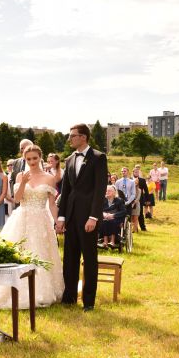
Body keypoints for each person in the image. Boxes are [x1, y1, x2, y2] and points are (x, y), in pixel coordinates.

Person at [0, 145, 65, 309]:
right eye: (28, 159)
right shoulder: (20, 176)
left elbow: (52, 204)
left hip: (41, 220)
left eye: (34, 158)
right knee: (16, 251)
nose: (32, 162)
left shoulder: (49, 178)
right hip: (21, 217)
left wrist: (57, 221)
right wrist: (23, 182)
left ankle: (41, 290)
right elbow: (17, 199)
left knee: (40, 251)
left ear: (40, 157)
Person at [56, 124, 109, 311]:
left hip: (88, 217)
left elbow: (100, 189)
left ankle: (89, 301)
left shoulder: (98, 157)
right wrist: (61, 217)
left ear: (84, 137)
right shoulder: (69, 159)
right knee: (69, 258)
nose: (69, 139)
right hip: (70, 216)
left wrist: (93, 217)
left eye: (73, 136)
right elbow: (65, 191)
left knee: (89, 258)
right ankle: (69, 297)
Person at [98, 185, 127, 249]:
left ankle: (112, 241)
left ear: (114, 192)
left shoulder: (119, 200)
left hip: (116, 218)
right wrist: (103, 214)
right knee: (104, 221)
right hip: (104, 218)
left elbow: (124, 212)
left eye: (109, 191)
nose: (107, 192)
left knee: (112, 221)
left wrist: (113, 215)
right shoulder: (103, 200)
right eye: (106, 191)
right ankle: (105, 241)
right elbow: (98, 210)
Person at [133, 164, 149, 231]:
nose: (136, 173)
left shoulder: (142, 180)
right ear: (133, 172)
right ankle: (134, 228)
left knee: (140, 213)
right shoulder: (129, 180)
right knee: (132, 214)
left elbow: (146, 190)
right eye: (135, 172)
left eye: (137, 172)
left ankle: (143, 227)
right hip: (131, 200)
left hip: (140, 199)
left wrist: (147, 200)